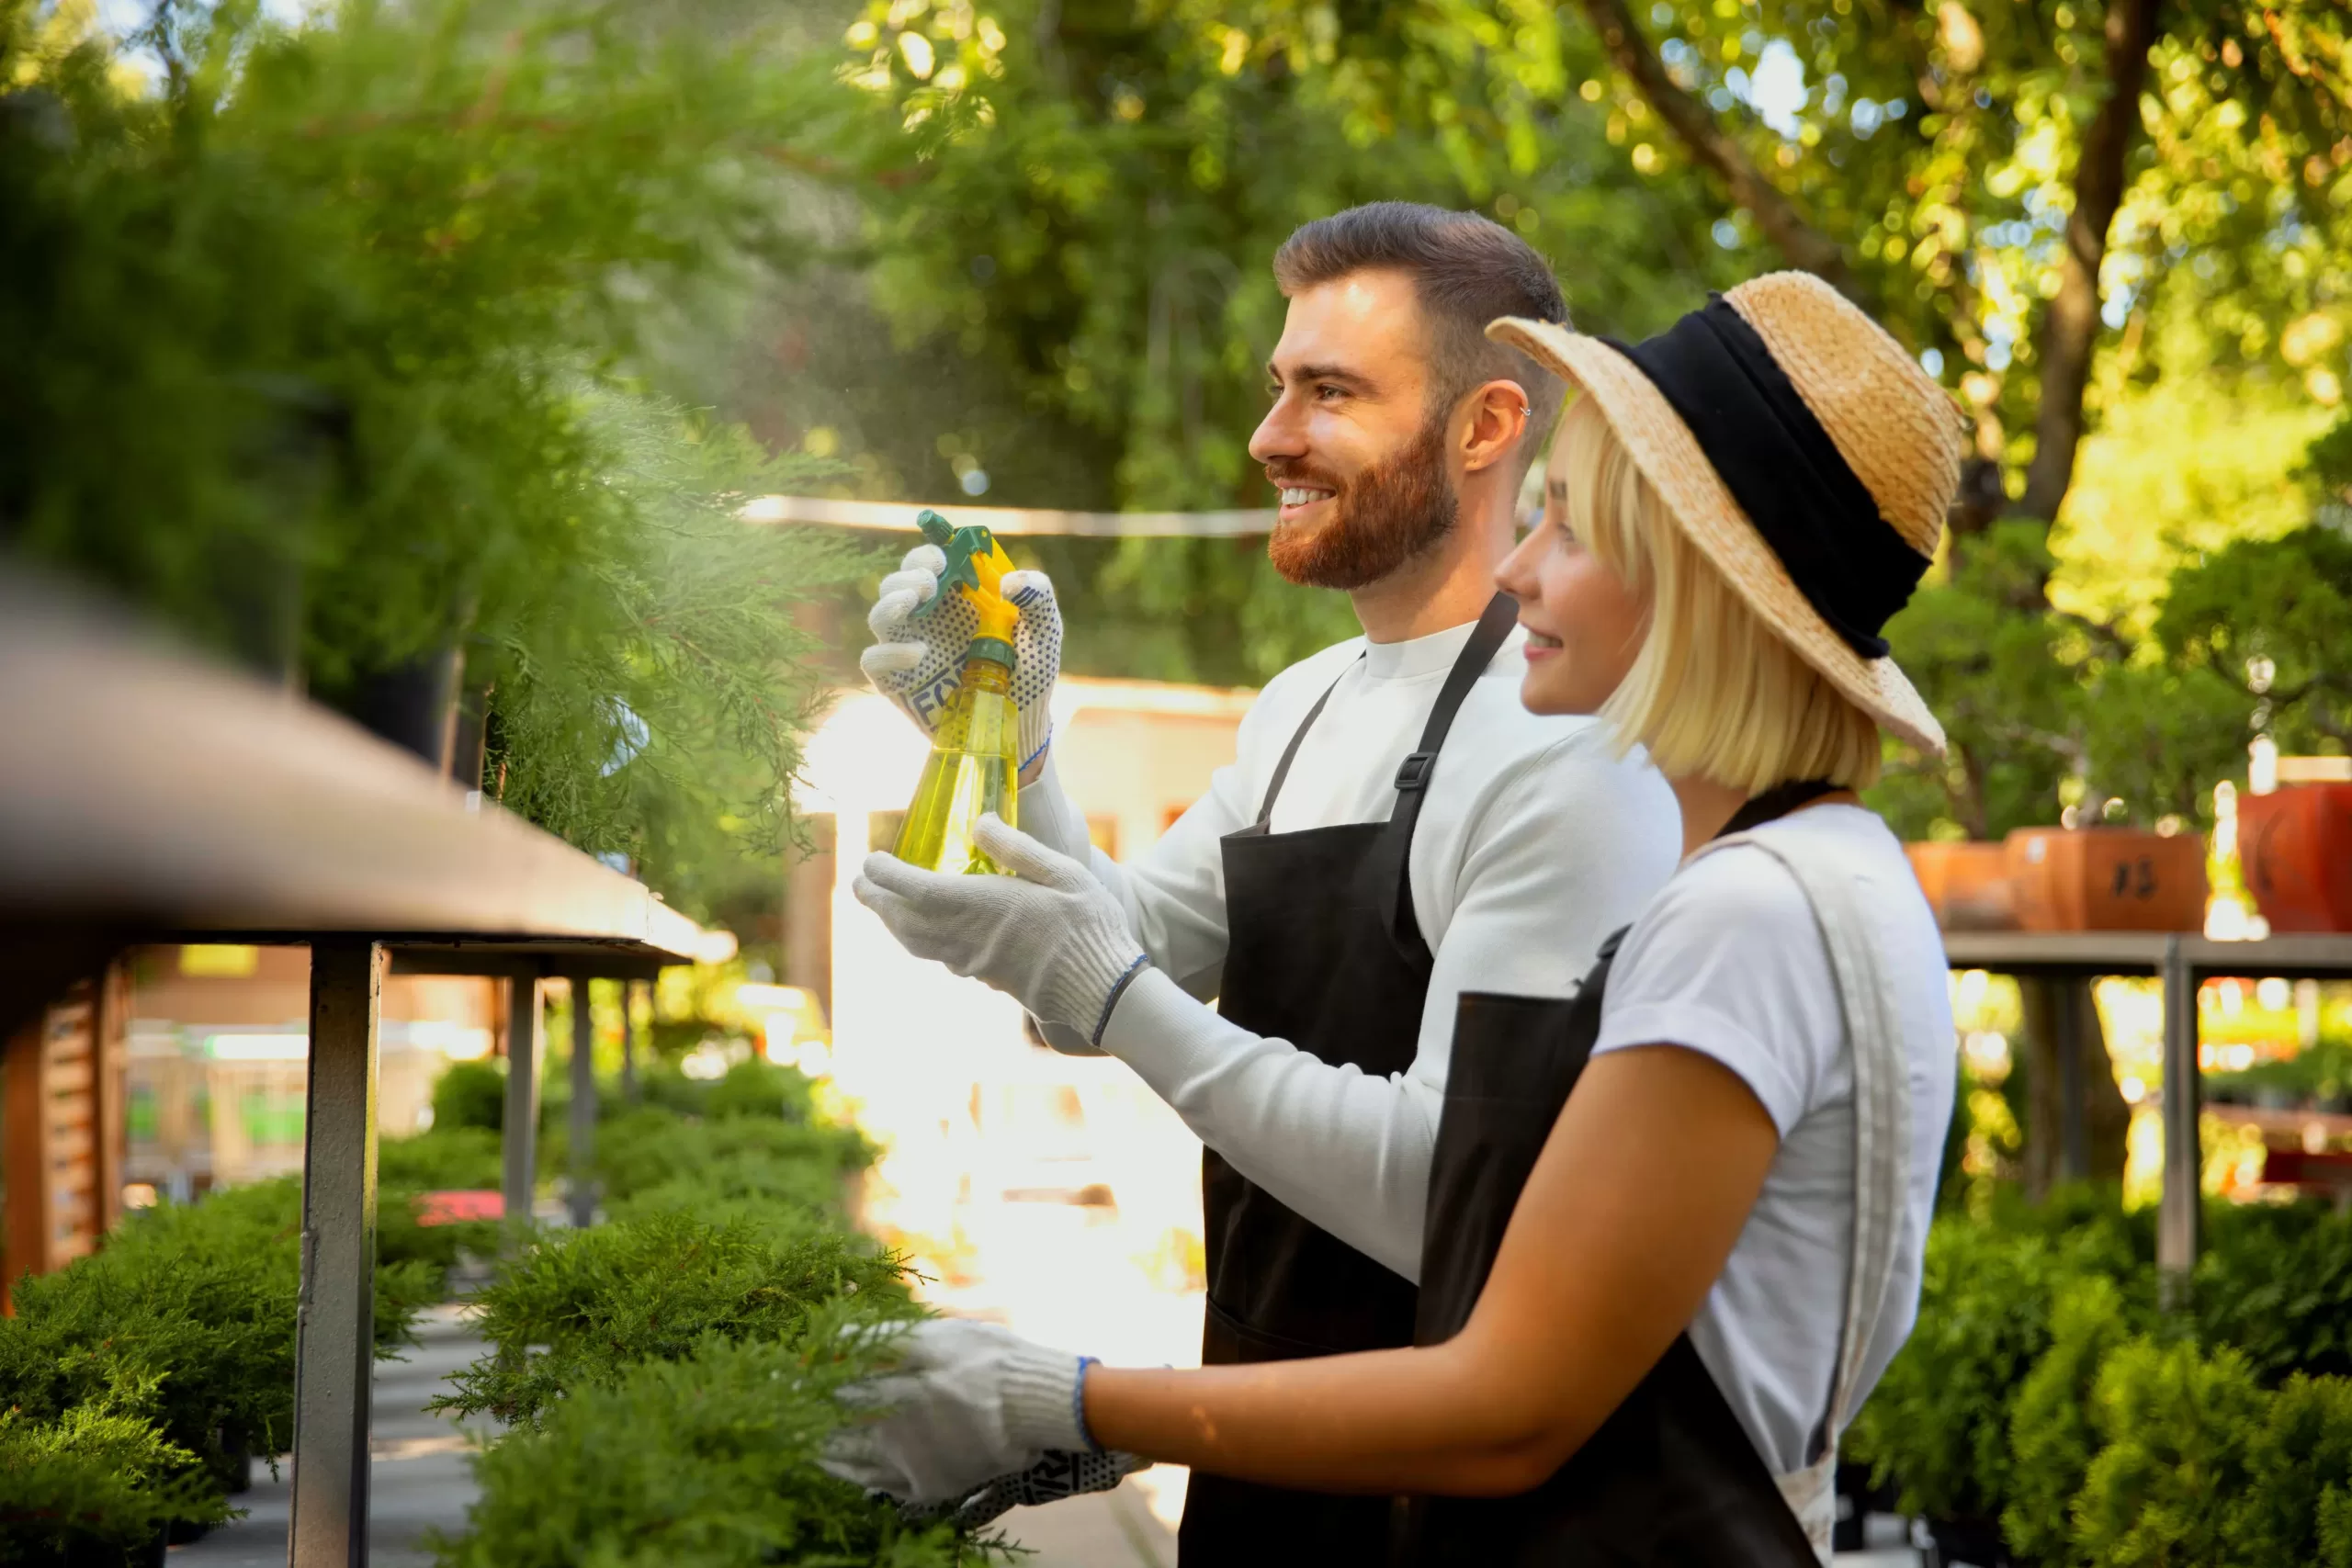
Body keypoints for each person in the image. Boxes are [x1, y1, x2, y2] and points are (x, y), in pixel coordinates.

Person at [825, 270, 1964, 1565]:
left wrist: (1053, 1401)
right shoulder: (1816, 875)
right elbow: (1110, 950)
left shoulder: (1749, 913)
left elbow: (1506, 1401)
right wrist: (1011, 750)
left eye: (1573, 529)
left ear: (1703, 582)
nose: (1522, 570)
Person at [851, 202, 1682, 1560]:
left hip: (1444, 1502)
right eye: (1279, 385)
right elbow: (1104, 975)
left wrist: (1108, 990)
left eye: (1330, 391)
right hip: (1250, 1452)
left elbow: (1445, 1199)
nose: (1271, 435)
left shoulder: (1562, 745)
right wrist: (1012, 740)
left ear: (1486, 427)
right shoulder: (1300, 708)